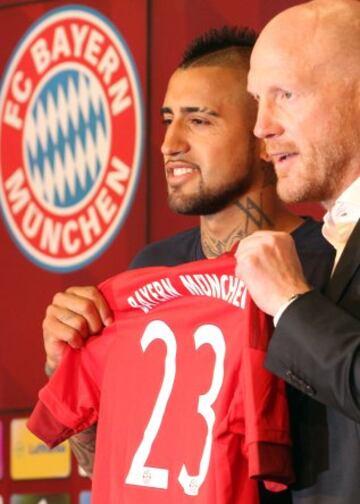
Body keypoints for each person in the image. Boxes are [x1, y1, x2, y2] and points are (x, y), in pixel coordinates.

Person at [40, 27, 334, 501]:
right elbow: (103, 461)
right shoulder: (150, 271)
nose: (169, 144)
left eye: (199, 121)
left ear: (263, 135)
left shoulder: (328, 263)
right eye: (168, 120)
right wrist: (63, 364)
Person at [235, 1, 360, 503]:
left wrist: (291, 302)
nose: (261, 126)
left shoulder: (289, 282)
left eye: (284, 94)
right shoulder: (317, 252)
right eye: (257, 100)